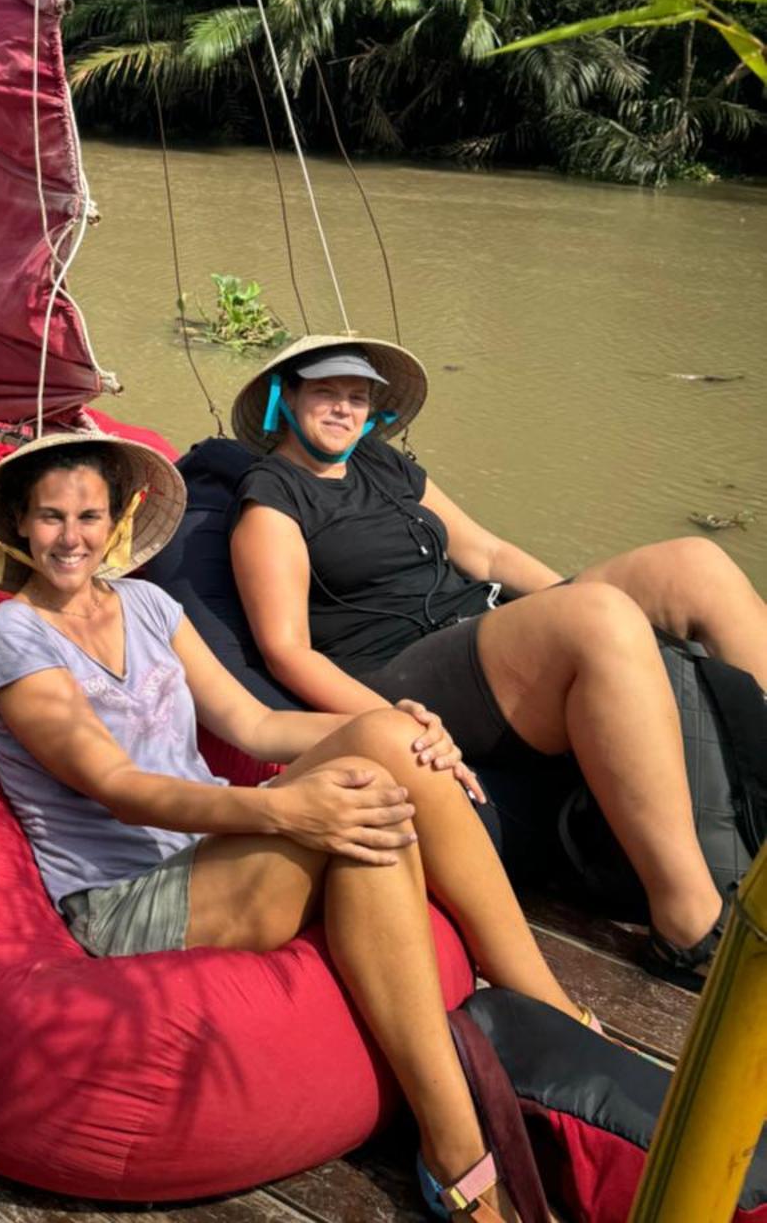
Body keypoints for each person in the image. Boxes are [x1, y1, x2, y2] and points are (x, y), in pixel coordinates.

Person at [0, 433, 584, 1223]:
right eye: (50, 518)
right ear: (18, 523)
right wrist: (284, 809)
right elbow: (117, 786)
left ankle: (550, 1013)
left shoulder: (149, 605)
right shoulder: (14, 637)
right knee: (358, 819)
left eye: (89, 515)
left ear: (117, 518)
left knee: (385, 754)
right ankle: (457, 1148)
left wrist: (392, 721)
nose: (71, 537)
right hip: (126, 895)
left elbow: (252, 725)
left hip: (217, 847)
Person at [223, 335, 767, 992]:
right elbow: (288, 651)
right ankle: (688, 922)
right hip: (397, 669)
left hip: (477, 627)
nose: (343, 409)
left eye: (357, 398)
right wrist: (391, 721)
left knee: (693, 566)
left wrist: (573, 599)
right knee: (595, 616)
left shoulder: (382, 465)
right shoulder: (272, 501)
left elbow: (486, 553)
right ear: (287, 400)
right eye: (325, 393)